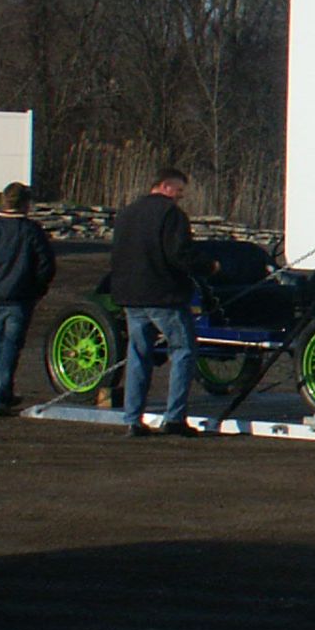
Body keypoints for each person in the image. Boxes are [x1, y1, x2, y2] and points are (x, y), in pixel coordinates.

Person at [110, 167, 205, 438]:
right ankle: (174, 417)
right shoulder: (170, 215)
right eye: (179, 191)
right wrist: (208, 266)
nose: (180, 197)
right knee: (184, 350)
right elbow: (179, 255)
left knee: (138, 355)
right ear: (165, 186)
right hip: (162, 295)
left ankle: (132, 419)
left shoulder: (127, 213)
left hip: (130, 294)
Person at [0, 182, 57, 415]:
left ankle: (2, 391)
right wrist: (37, 289)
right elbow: (46, 265)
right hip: (20, 296)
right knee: (11, 346)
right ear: (25, 204)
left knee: (2, 344)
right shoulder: (30, 230)